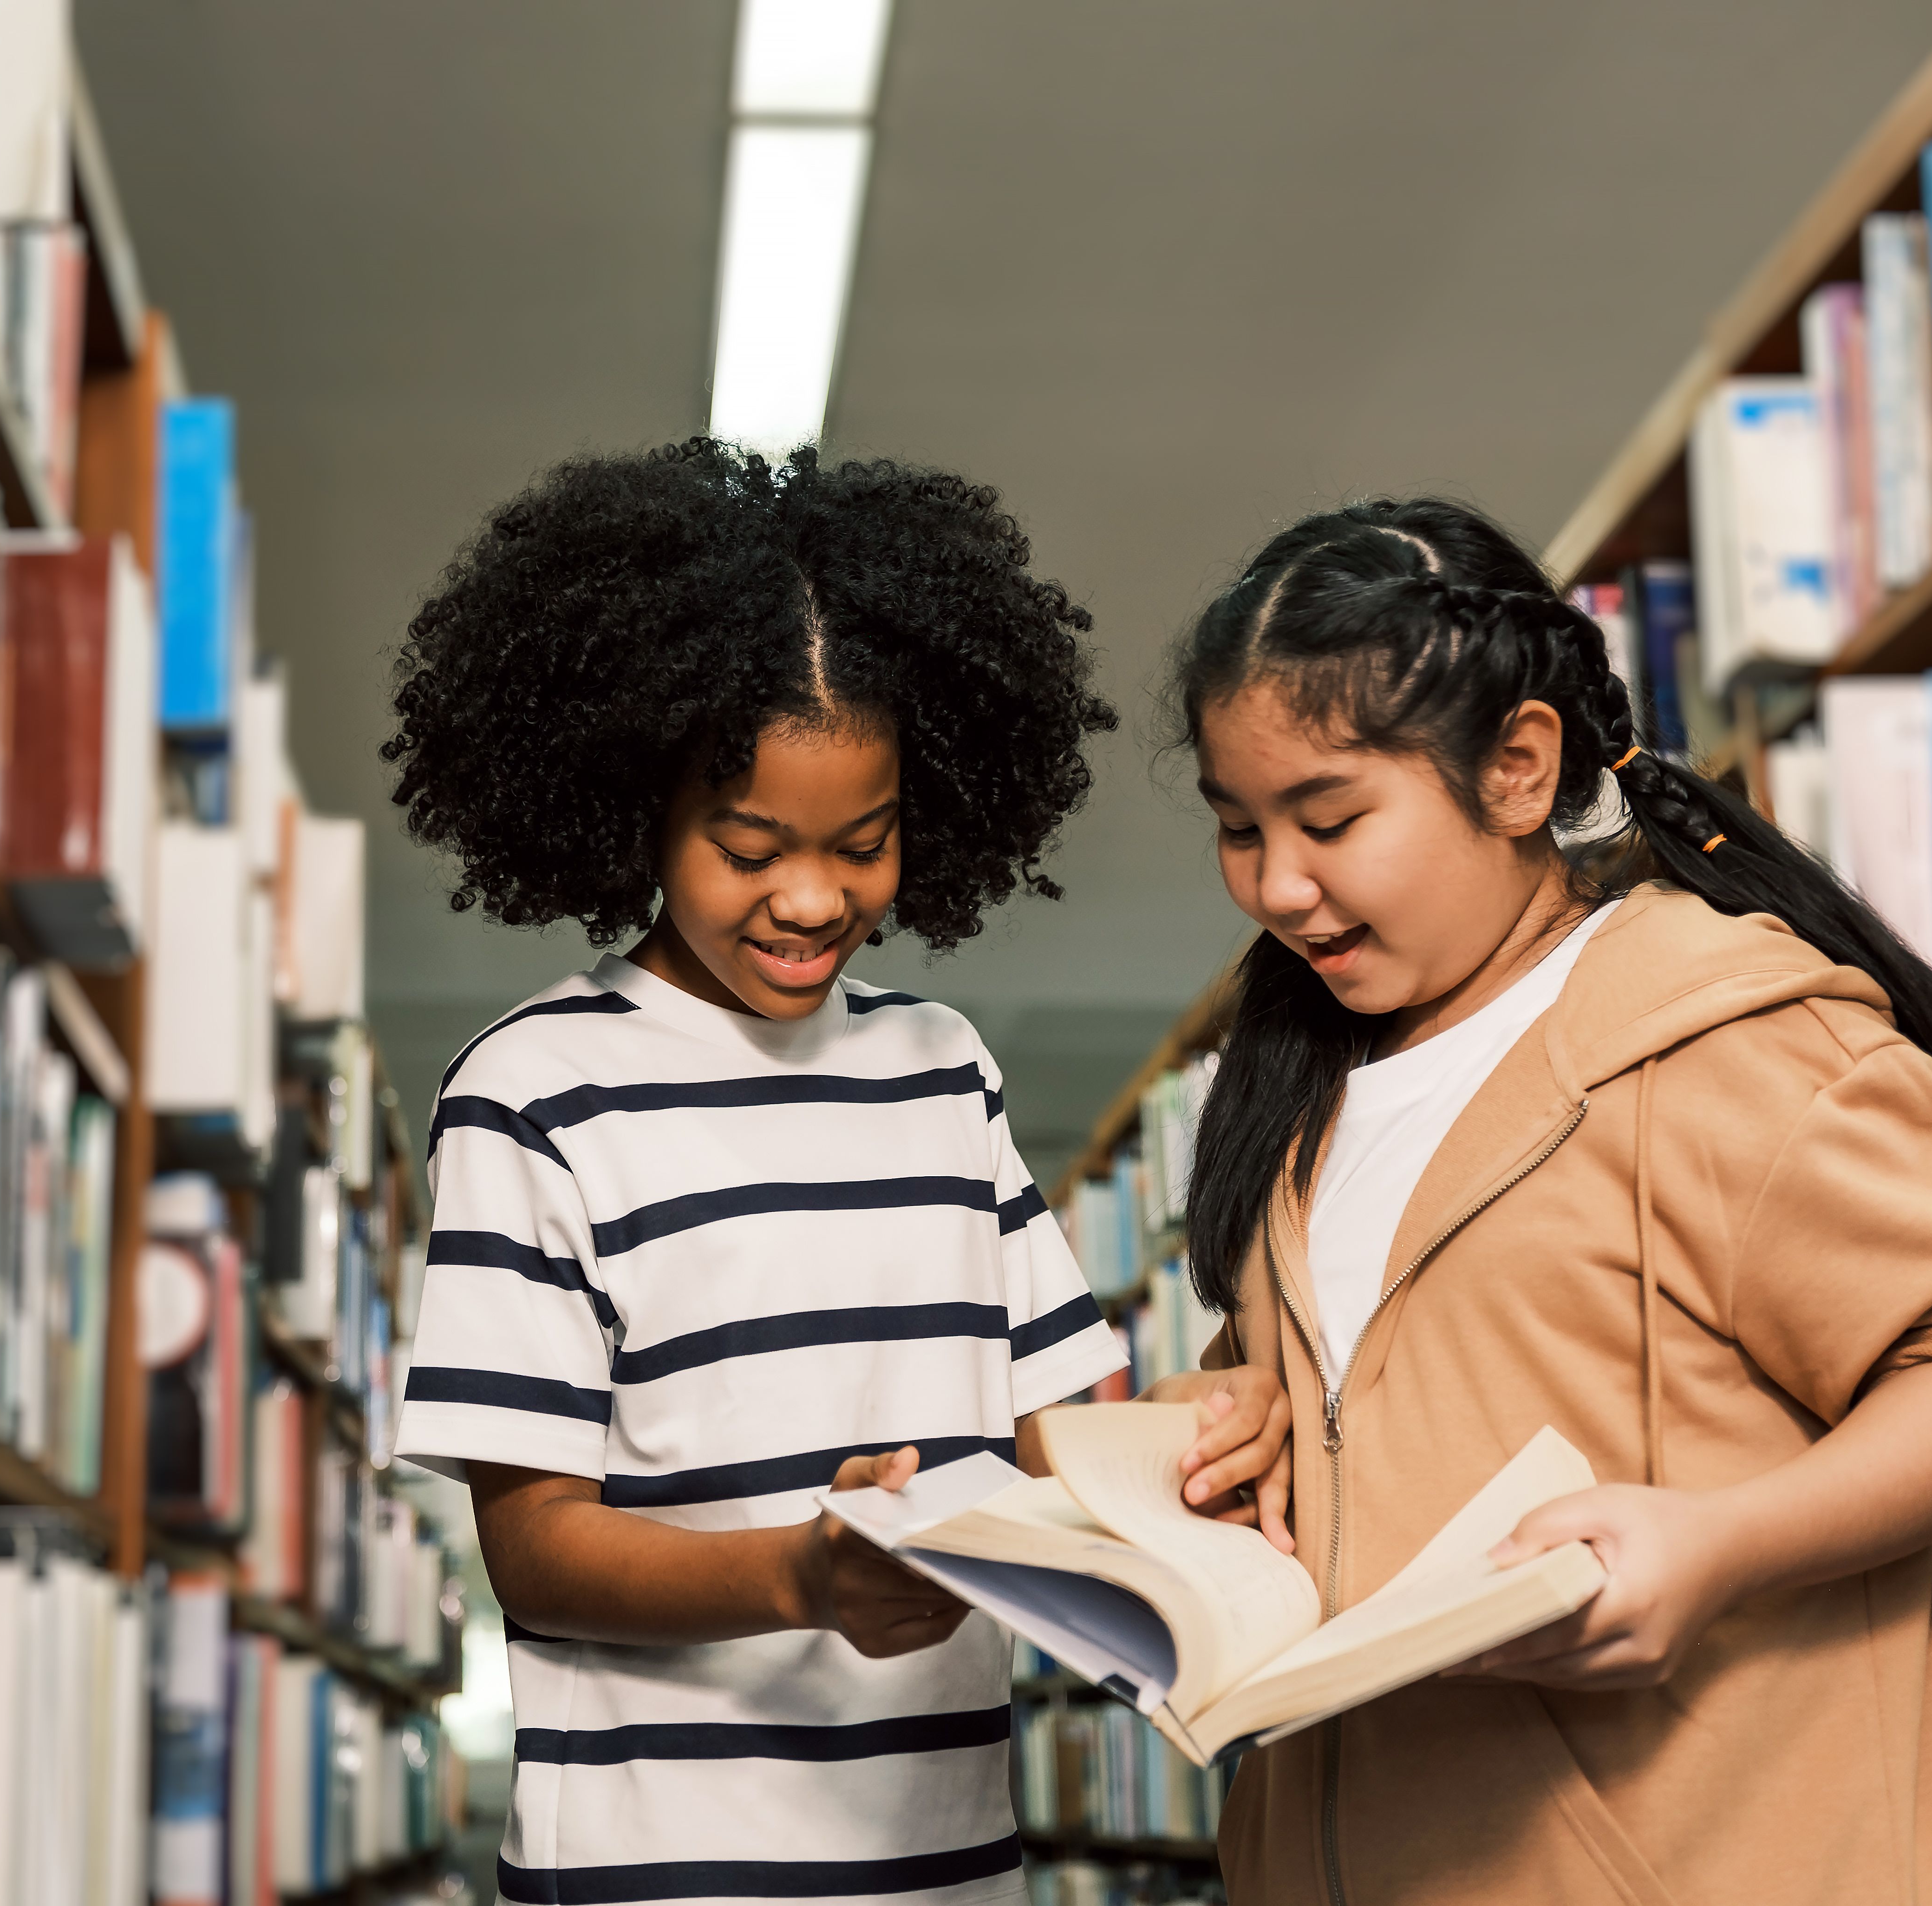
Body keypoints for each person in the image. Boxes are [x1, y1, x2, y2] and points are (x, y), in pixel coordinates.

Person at [1168, 498, 1932, 1905]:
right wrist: (1238, 1428)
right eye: (1238, 831)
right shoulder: (1304, 1091)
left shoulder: (1723, 1035)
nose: (1278, 886)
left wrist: (1722, 1545)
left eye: (1329, 819)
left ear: (1515, 770)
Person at [382, 440, 1278, 1906]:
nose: (812, 899)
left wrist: (1202, 1424)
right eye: (747, 848)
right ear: (640, 818)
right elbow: (534, 1545)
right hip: (658, 1877)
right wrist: (799, 1575)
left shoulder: (941, 1068)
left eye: (861, 847)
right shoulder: (532, 1091)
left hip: (951, 1863)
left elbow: (1062, 1428)